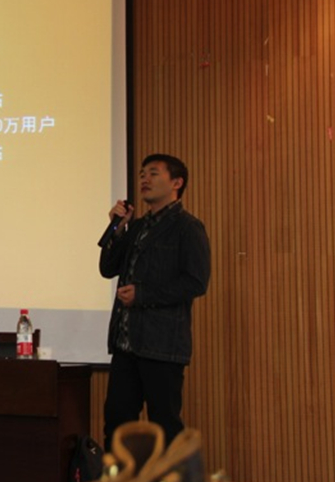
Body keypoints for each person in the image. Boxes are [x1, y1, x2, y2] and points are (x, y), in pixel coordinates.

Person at [98, 153, 211, 451]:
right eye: (142, 174)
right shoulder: (136, 227)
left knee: (165, 427)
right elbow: (107, 268)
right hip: (125, 345)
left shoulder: (188, 227)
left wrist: (143, 294)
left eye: (153, 173)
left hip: (162, 346)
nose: (144, 179)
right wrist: (116, 229)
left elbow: (196, 282)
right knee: (117, 423)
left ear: (177, 183)